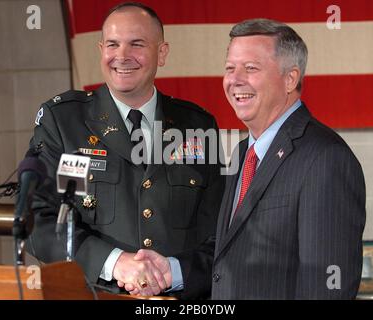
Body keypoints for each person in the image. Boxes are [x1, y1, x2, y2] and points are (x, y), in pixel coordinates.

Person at [127, 18, 366, 299]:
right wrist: (173, 271)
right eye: (230, 68)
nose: (234, 80)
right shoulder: (244, 153)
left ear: (290, 78)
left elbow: (327, 288)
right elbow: (228, 251)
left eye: (251, 68)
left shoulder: (325, 158)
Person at [26, 2, 224, 297]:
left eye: (137, 44)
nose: (122, 56)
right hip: (93, 295)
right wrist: (115, 262)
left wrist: (175, 271)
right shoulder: (65, 122)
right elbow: (37, 219)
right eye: (112, 44)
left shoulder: (197, 125)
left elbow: (221, 232)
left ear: (162, 53)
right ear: (101, 50)